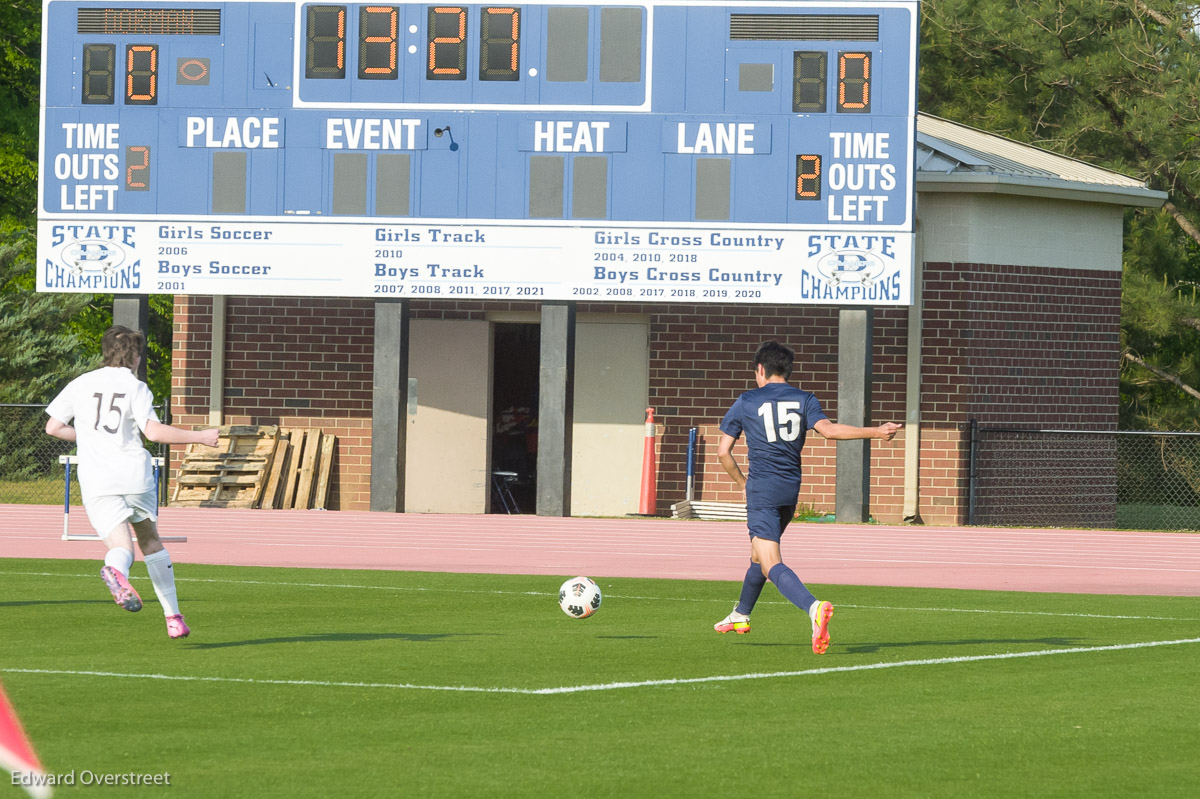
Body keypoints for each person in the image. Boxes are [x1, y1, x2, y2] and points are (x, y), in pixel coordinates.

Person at [712, 340, 901, 654]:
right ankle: (741, 614)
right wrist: (876, 431)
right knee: (758, 555)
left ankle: (813, 608)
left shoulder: (747, 400)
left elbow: (723, 453)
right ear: (787, 369)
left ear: (760, 369)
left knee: (771, 562)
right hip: (790, 488)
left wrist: (742, 483)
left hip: (762, 489)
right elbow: (829, 431)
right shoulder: (805, 398)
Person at [45, 325, 220, 639]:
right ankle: (173, 617)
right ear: (136, 355)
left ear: (107, 351)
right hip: (133, 474)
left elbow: (53, 427)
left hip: (97, 479)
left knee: (120, 546)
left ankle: (117, 571)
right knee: (150, 540)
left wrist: (89, 439)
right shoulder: (135, 387)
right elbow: (152, 433)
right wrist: (201, 437)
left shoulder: (81, 383)